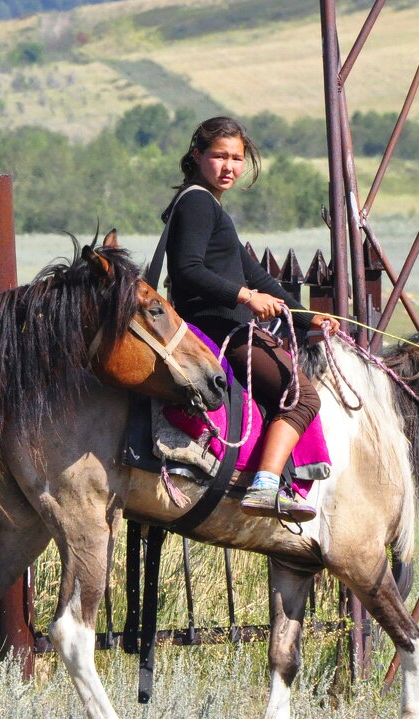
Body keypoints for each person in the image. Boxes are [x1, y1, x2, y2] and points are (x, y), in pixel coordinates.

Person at [161, 116, 336, 522]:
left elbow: (256, 275)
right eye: (219, 156)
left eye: (237, 158)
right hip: (221, 329)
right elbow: (187, 270)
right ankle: (265, 485)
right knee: (302, 397)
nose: (229, 167)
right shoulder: (198, 202)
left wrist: (311, 319)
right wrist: (244, 297)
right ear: (197, 156)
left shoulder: (208, 205)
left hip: (225, 325)